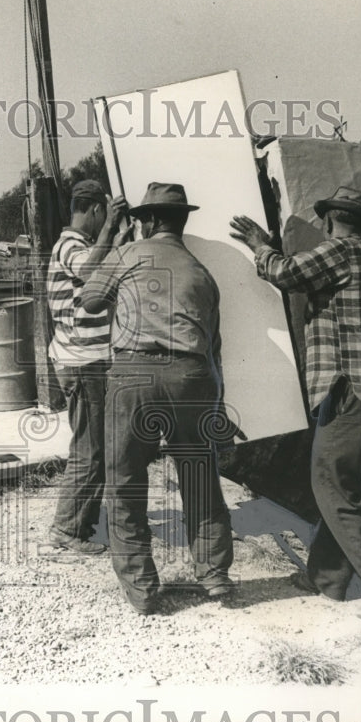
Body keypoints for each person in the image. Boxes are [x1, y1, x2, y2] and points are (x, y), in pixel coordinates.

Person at [229, 185, 361, 620]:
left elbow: (287, 273)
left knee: (331, 485)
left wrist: (262, 246)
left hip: (353, 385)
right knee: (343, 485)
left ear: (329, 220)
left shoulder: (340, 250)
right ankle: (327, 579)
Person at [80, 182, 235, 614]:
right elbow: (214, 348)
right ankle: (215, 574)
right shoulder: (203, 272)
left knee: (125, 479)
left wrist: (121, 250)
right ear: (182, 221)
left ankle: (144, 590)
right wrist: (216, 408)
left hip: (137, 372)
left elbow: (90, 299)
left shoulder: (131, 253)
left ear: (146, 220)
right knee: (199, 476)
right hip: (194, 376)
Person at [46, 179, 129, 554]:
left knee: (92, 446)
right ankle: (67, 530)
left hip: (83, 362)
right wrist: (112, 228)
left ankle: (82, 523)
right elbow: (89, 269)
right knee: (89, 450)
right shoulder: (70, 246)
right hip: (82, 364)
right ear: (95, 210)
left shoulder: (77, 246)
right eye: (102, 216)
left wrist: (118, 238)